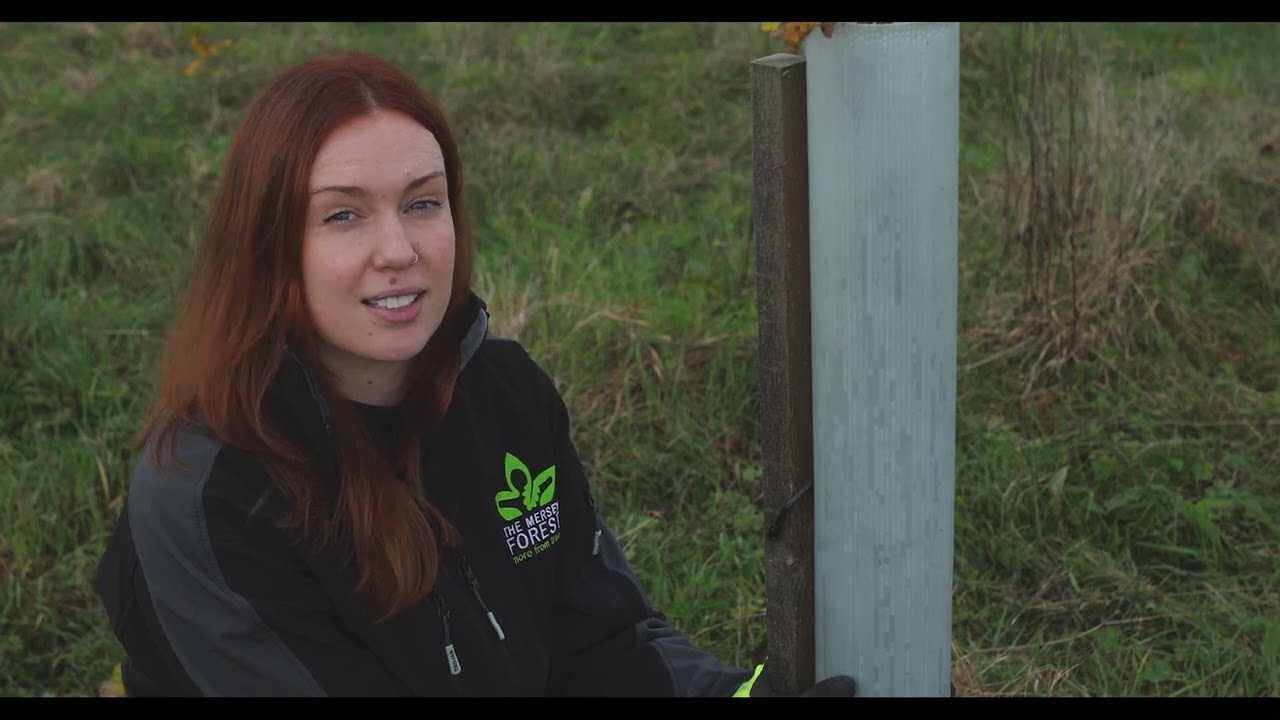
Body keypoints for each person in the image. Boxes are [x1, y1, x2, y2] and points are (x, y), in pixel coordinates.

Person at [94, 49, 857, 698]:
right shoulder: (207, 497)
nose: (399, 250)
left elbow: (599, 640)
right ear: (269, 248)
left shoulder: (504, 391)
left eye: (422, 203)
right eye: (343, 215)